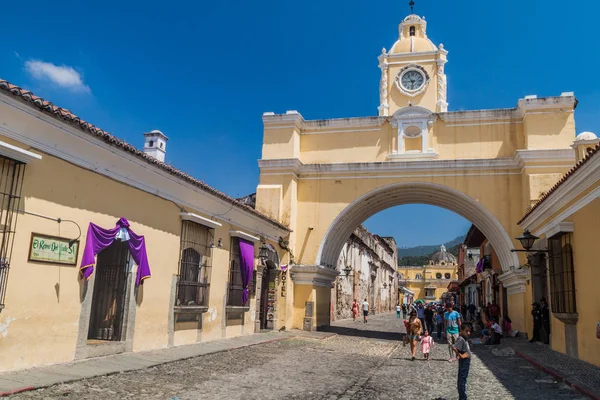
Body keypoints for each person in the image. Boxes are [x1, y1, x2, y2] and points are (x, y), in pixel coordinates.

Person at [453, 324, 472, 400]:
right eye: (466, 331)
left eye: (469, 331)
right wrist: (460, 355)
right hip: (464, 361)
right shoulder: (461, 339)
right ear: (461, 330)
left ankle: (462, 396)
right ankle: (462, 397)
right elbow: (454, 347)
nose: (468, 333)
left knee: (463, 378)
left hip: (466, 361)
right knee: (462, 379)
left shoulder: (464, 338)